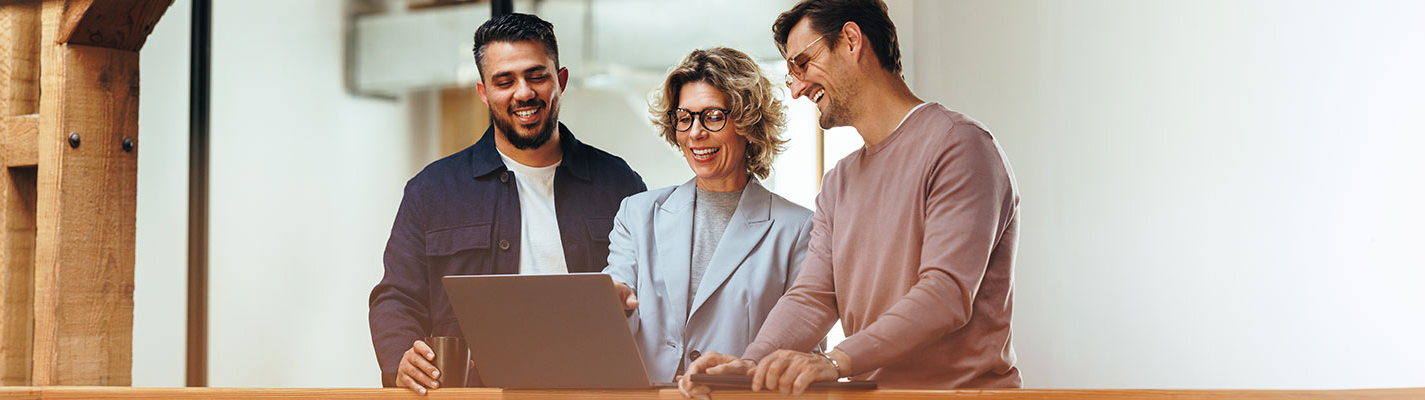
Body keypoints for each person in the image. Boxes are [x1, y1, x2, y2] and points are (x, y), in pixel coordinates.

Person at [681, 0, 1022, 397]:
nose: (795, 89)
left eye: (803, 64)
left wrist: (834, 361)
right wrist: (752, 363)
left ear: (850, 40)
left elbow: (945, 295)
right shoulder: (839, 181)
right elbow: (813, 297)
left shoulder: (960, 146)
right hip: (874, 394)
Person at [369, 13, 647, 394]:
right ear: (484, 91)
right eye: (505, 81)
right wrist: (401, 355)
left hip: (595, 391)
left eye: (536, 76)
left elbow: (654, 294)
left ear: (560, 81)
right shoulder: (432, 191)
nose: (524, 92)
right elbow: (397, 296)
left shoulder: (619, 183)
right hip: (475, 395)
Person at [603, 47, 814, 383]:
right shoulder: (637, 213)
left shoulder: (798, 228)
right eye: (684, 118)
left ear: (747, 122)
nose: (695, 133)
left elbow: (805, 348)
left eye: (713, 116)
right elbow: (619, 294)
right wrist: (609, 302)